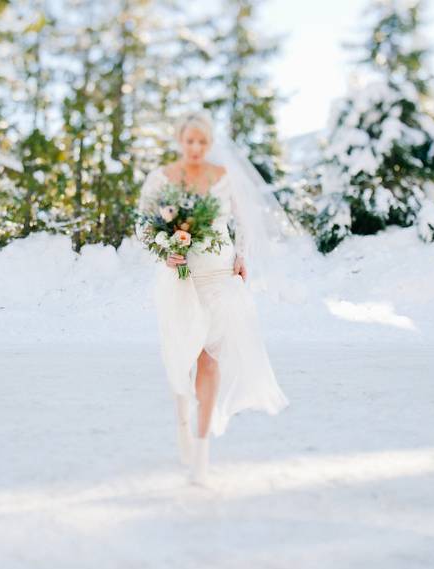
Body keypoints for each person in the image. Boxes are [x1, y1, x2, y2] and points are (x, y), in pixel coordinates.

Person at [136, 110, 290, 487]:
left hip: (219, 276)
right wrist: (164, 248)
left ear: (209, 144)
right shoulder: (161, 179)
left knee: (209, 359)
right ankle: (183, 424)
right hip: (180, 278)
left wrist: (241, 254)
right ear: (179, 140)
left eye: (202, 142)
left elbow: (244, 223)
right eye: (189, 141)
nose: (195, 148)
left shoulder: (223, 179)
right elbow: (144, 226)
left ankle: (203, 452)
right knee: (180, 357)